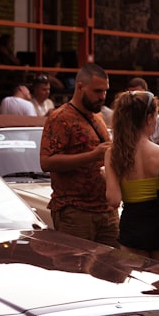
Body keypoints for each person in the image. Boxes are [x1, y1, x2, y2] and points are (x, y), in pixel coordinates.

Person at [104, 90, 159, 265]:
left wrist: (105, 176)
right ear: (148, 119)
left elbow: (114, 200)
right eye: (155, 116)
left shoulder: (114, 154)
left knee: (136, 285)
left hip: (133, 226)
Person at [39, 63, 118, 247]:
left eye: (105, 91)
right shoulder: (60, 118)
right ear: (80, 87)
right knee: (76, 269)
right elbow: (46, 162)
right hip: (76, 211)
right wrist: (93, 155)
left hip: (106, 211)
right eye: (97, 91)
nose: (102, 97)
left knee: (113, 271)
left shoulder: (98, 117)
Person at [125, 77, 159, 144]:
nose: (135, 99)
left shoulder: (157, 118)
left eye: (139, 95)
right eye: (132, 95)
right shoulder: (123, 117)